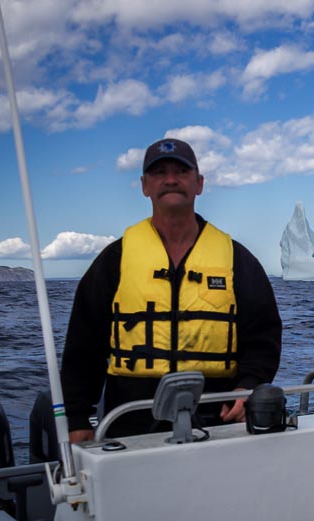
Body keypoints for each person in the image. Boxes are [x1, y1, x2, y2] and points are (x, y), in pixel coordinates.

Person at [61, 138, 282, 442]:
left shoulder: (235, 258)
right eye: (159, 172)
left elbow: (264, 335)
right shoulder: (115, 260)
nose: (170, 180)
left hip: (217, 416)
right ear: (144, 185)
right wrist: (77, 419)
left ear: (199, 183)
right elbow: (83, 347)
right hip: (131, 420)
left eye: (181, 171)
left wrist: (248, 387)